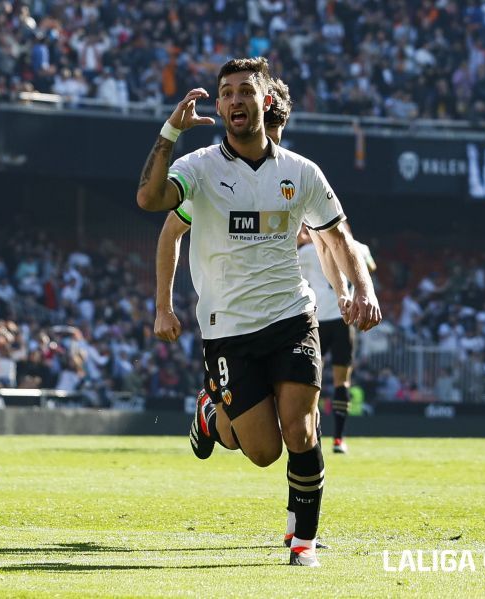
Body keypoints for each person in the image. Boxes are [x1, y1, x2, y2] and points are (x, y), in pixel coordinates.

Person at [136, 57, 381, 567]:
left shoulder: (300, 173)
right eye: (225, 93)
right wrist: (168, 133)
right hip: (227, 331)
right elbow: (150, 199)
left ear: (265, 100)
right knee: (264, 450)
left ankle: (303, 542)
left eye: (245, 90)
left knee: (302, 428)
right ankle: (212, 412)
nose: (233, 100)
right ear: (220, 105)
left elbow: (337, 233)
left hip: (292, 317)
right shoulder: (198, 169)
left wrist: (362, 288)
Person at [298, 224, 377, 453]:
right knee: (342, 382)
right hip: (345, 320)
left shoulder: (308, 251)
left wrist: (302, 240)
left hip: (317, 320)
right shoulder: (359, 248)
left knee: (312, 380)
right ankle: (339, 439)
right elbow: (371, 267)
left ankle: (313, 434)